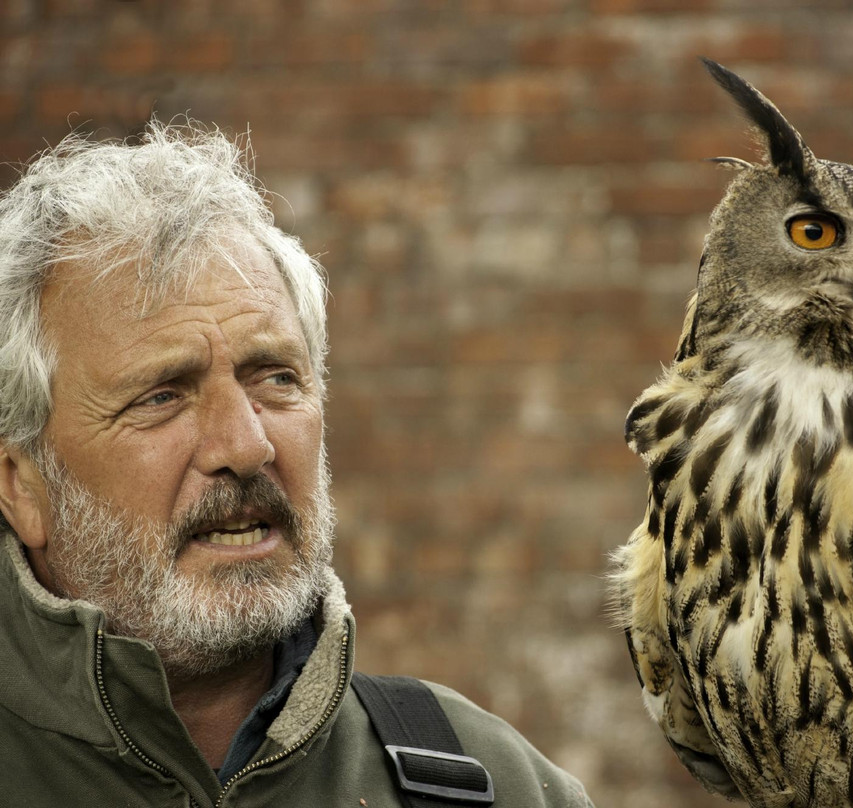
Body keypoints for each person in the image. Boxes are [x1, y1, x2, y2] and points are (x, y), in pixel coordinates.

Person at [0, 120, 593, 807]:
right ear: (21, 487)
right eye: (161, 396)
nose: (247, 446)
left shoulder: (502, 787)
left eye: (276, 378)